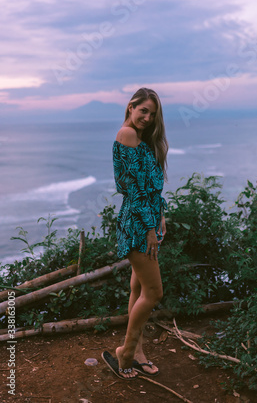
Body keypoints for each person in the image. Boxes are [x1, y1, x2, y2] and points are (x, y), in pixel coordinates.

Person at [102, 87, 168, 380]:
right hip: (139, 224)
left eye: (152, 113)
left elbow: (152, 188)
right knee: (154, 292)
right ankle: (125, 353)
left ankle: (137, 352)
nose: (147, 117)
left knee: (139, 289)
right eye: (143, 110)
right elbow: (133, 189)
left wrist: (161, 215)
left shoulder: (144, 141)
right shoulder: (127, 135)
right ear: (130, 107)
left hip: (149, 220)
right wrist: (151, 228)